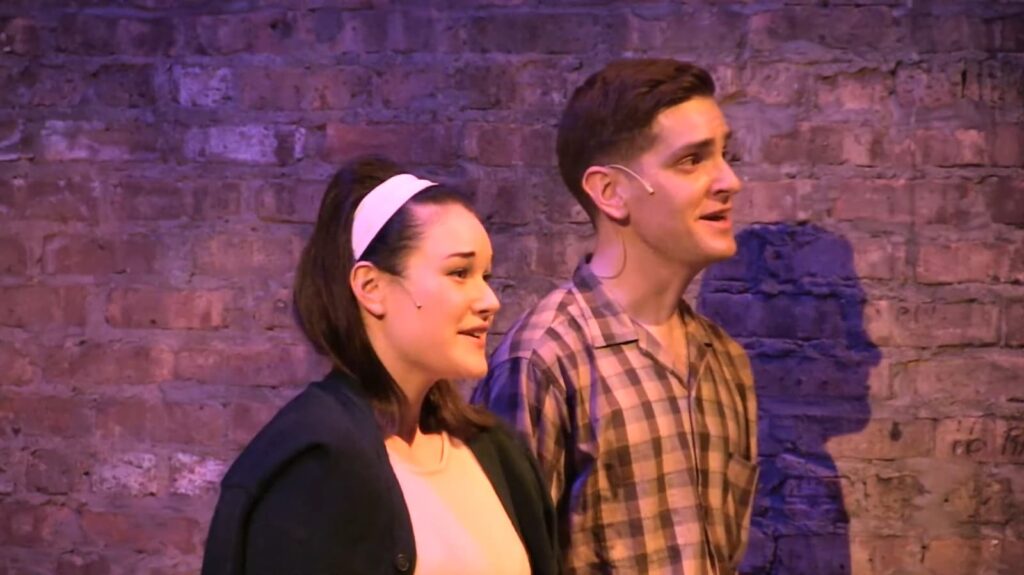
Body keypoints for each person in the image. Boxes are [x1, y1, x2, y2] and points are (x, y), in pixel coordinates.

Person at [201, 156, 559, 575]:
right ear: (371, 288)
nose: (489, 301)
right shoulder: (314, 466)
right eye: (459, 273)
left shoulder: (495, 450)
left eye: (486, 276)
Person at [472, 59, 757, 574]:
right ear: (610, 191)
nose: (729, 180)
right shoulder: (543, 361)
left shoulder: (725, 361)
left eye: (725, 154)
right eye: (692, 160)